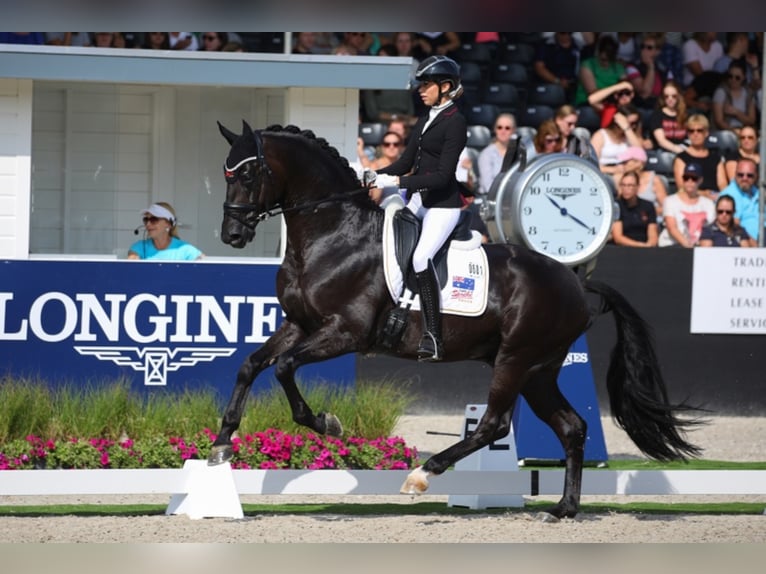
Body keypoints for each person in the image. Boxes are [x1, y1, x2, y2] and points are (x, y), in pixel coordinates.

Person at [372, 55, 467, 362]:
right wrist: (376, 174)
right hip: (419, 201)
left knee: (421, 257)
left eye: (427, 85)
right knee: (388, 244)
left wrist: (398, 180)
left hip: (442, 206)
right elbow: (405, 161)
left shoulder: (456, 121)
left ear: (446, 87)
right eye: (421, 84)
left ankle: (434, 336)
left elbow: (442, 177)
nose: (421, 90)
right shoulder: (426, 118)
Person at [658, 163, 716, 248]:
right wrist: (688, 246)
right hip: (672, 245)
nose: (689, 181)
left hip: (700, 247)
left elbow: (711, 227)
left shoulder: (708, 204)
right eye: (686, 178)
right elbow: (672, 228)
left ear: (700, 180)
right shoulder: (670, 201)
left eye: (694, 178)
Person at [673, 113, 728, 199]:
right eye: (691, 131)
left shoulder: (716, 158)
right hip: (691, 199)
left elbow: (722, 185)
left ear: (706, 133)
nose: (695, 134)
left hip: (714, 199)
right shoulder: (681, 159)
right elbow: (681, 188)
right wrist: (703, 194)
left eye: (699, 130)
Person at [127, 202, 204, 261]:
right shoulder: (139, 247)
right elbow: (131, 264)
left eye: (154, 219)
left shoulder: (184, 249)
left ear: (168, 224)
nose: (148, 224)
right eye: (146, 220)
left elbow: (206, 265)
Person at [590, 104, 643, 176]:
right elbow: (592, 163)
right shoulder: (601, 135)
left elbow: (640, 153)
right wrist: (613, 170)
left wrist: (627, 129)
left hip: (626, 172)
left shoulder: (631, 136)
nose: (633, 126)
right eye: (630, 123)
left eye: (635, 123)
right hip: (605, 172)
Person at [574, 35, 626, 107]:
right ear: (598, 52)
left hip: (612, 104)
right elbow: (593, 95)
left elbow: (625, 90)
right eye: (603, 59)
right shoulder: (588, 65)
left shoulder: (618, 67)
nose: (606, 63)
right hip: (588, 103)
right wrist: (616, 88)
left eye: (609, 59)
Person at [616, 146, 668, 219]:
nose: (622, 165)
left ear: (638, 163)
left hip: (652, 220)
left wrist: (646, 212)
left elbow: (667, 208)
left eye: (625, 162)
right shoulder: (622, 180)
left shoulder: (654, 180)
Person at [611, 169, 659, 248]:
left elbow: (653, 235)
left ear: (637, 187)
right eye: (623, 185)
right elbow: (618, 237)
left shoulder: (648, 206)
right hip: (623, 248)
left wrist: (649, 246)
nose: (626, 188)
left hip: (645, 248)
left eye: (630, 185)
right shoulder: (617, 206)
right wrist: (640, 246)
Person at [719, 158, 761, 242]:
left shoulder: (759, 192)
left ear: (756, 176)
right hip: (746, 247)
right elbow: (734, 225)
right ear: (735, 174)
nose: (744, 178)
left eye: (749, 175)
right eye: (740, 175)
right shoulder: (729, 195)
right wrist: (755, 246)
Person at [533, 32, 580, 103]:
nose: (566, 36)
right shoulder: (546, 44)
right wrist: (557, 81)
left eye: (569, 33)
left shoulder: (578, 45)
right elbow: (539, 67)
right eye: (562, 33)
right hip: (550, 84)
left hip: (574, 86)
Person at [477, 112, 517, 195]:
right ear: (495, 129)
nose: (503, 131)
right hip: (490, 198)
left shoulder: (519, 153)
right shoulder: (486, 154)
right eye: (499, 127)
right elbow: (488, 186)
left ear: (513, 130)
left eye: (507, 128)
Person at [711, 61, 756, 133]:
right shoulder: (721, 92)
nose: (733, 80)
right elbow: (719, 121)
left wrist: (736, 112)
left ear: (744, 77)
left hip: (744, 133)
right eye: (730, 76)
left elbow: (751, 120)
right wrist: (734, 132)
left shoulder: (749, 93)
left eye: (737, 78)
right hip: (725, 133)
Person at [648, 80, 688, 154]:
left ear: (679, 96)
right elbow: (661, 141)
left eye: (674, 96)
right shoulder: (657, 115)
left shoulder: (686, 114)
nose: (670, 99)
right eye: (666, 96)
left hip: (684, 148)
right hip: (664, 151)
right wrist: (678, 150)